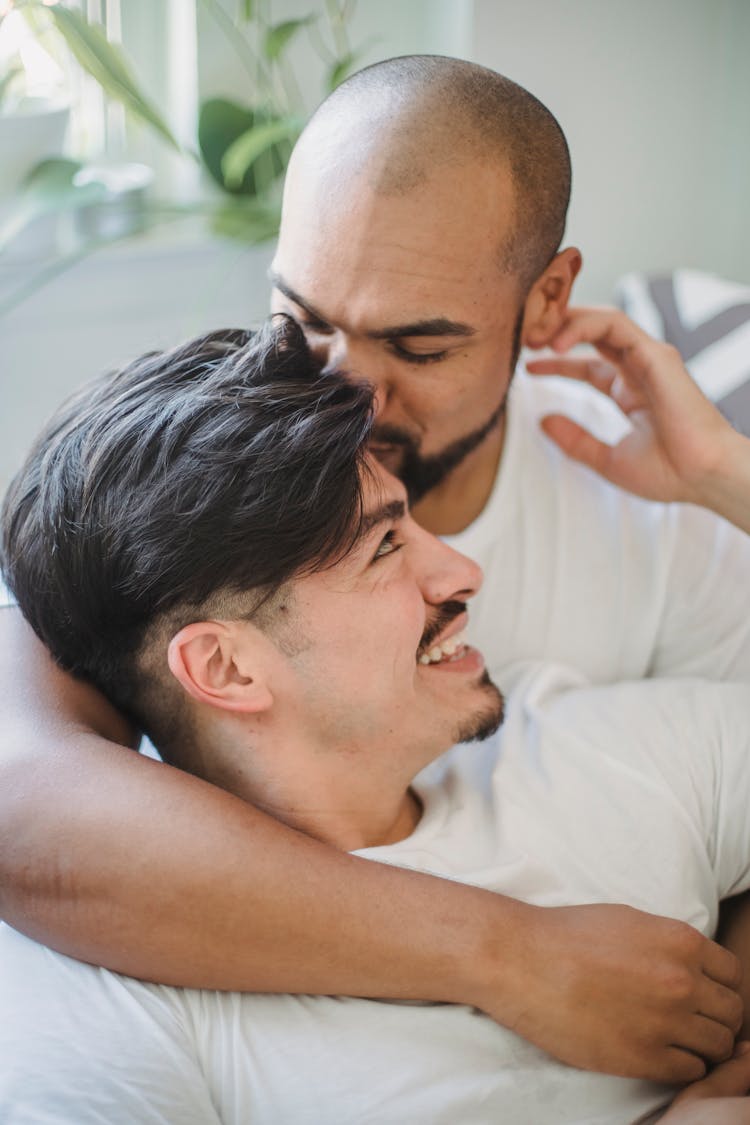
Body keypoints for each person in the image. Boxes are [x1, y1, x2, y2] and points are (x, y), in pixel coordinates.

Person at [1, 56, 749, 1082]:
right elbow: (21, 813)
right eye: (303, 318)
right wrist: (512, 956)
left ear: (548, 301)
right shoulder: (178, 485)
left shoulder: (660, 511)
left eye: (418, 345)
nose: (341, 385)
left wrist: (727, 478)